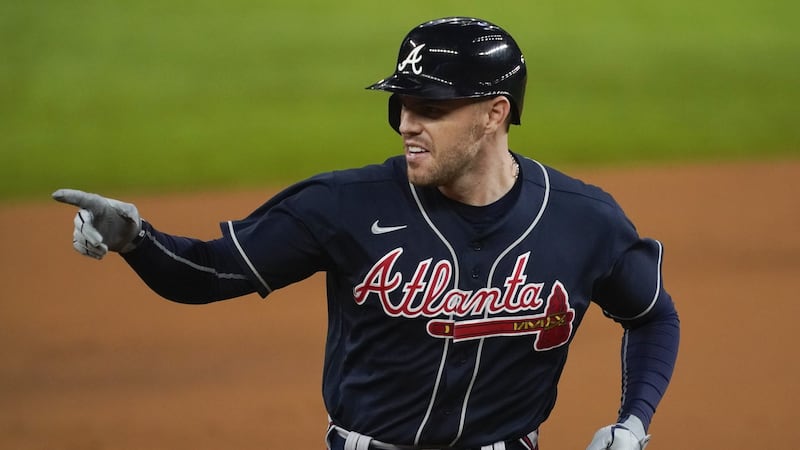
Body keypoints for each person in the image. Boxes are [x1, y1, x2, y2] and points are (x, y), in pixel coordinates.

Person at [53, 17, 679, 450]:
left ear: (496, 113)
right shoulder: (343, 205)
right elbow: (210, 275)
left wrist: (633, 423)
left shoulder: (582, 220)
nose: (408, 123)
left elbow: (652, 314)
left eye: (431, 109)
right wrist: (134, 238)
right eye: (401, 105)